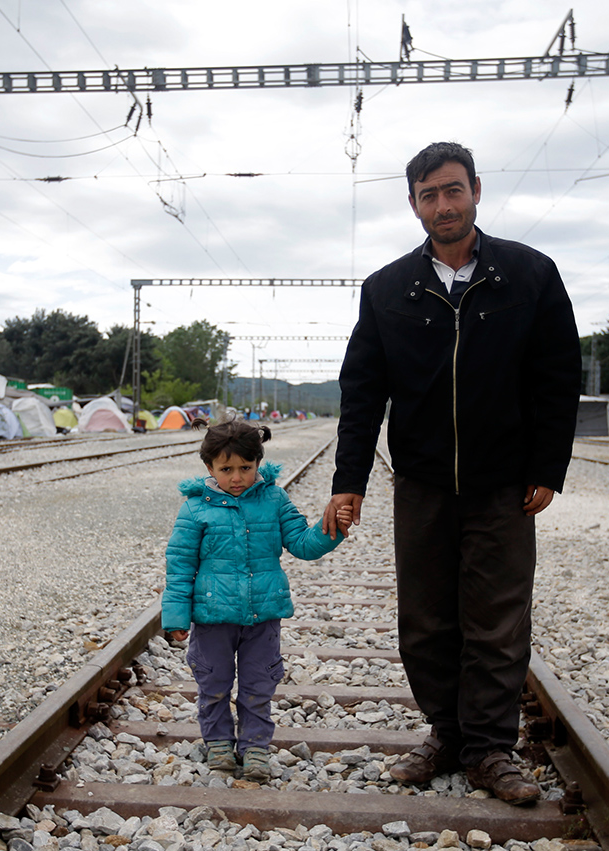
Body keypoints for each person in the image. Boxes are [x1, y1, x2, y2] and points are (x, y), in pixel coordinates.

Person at [321, 141, 581, 805]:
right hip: (423, 481)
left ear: (475, 191)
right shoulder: (385, 290)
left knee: (496, 617)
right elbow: (362, 391)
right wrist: (348, 479)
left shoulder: (529, 275)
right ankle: (446, 731)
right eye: (429, 194)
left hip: (503, 482)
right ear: (413, 203)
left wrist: (548, 464)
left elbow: (557, 378)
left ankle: (490, 748)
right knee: (428, 619)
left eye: (453, 190)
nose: (443, 204)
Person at [163, 417, 352, 782]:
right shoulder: (195, 508)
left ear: (258, 465)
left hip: (263, 614)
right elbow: (180, 566)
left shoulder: (275, 499)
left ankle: (255, 747)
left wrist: (332, 531)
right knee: (213, 681)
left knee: (258, 683)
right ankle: (218, 742)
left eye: (246, 468)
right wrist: (176, 617)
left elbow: (301, 543)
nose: (237, 477)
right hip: (213, 616)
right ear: (209, 468)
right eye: (226, 469)